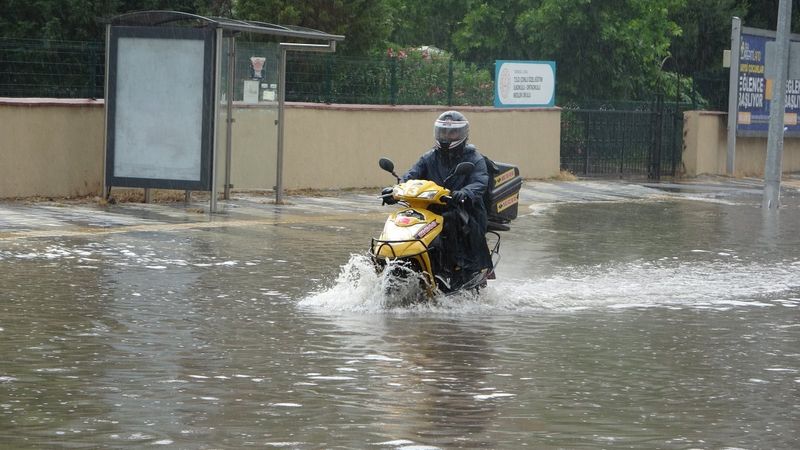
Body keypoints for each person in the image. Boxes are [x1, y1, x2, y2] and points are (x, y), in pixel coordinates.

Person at [383, 110, 493, 284]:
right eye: (443, 132)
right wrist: (395, 189)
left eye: (452, 132)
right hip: (430, 207)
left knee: (450, 220)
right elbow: (411, 175)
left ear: (463, 134)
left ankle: (455, 270)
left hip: (465, 209)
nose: (447, 136)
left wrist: (463, 193)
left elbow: (479, 182)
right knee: (404, 218)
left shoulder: (474, 158)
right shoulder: (430, 157)